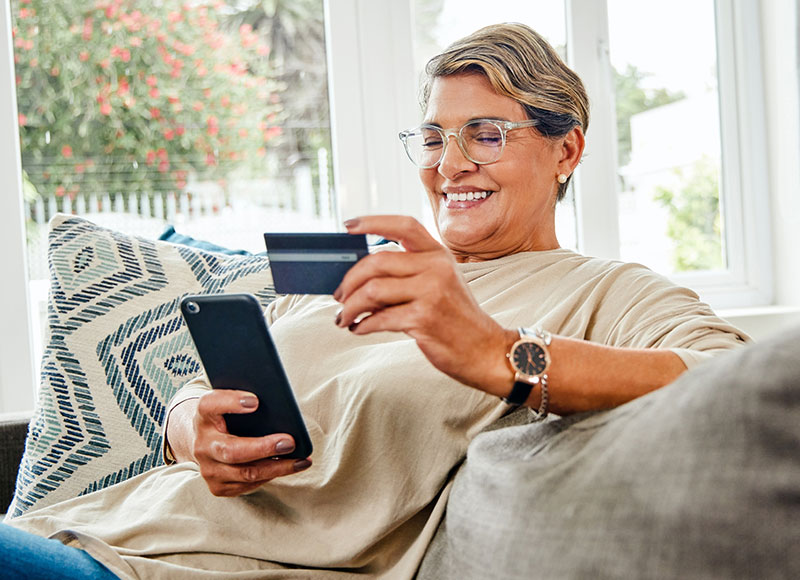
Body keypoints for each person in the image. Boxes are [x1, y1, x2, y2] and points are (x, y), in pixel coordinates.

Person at [4, 22, 748, 579]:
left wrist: (499, 354)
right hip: (79, 527)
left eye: (485, 135)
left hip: (180, 569)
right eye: (432, 138)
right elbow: (210, 393)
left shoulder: (604, 290)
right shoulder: (367, 275)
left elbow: (736, 384)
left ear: (568, 151)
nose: (448, 165)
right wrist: (183, 427)